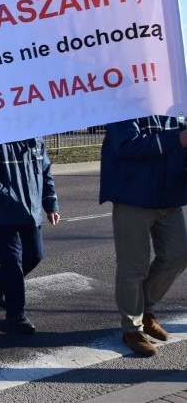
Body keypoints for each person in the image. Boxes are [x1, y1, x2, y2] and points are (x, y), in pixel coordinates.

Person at [99, 115, 187, 357]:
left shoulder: (175, 104)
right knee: (133, 267)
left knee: (178, 254)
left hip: (170, 197)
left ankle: (144, 309)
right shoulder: (126, 102)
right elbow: (127, 145)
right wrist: (178, 139)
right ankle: (132, 328)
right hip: (133, 198)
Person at [0, 138, 60, 334]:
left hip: (32, 213)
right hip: (6, 214)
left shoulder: (37, 140)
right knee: (12, 263)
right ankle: (16, 314)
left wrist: (51, 204)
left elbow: (46, 174)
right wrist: (7, 197)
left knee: (35, 255)